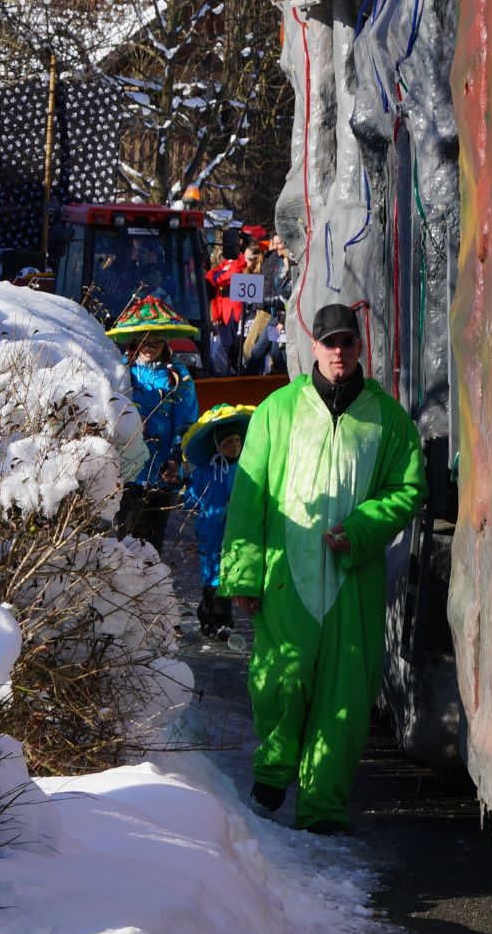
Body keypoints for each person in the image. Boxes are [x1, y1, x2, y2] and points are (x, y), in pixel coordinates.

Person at [219, 303, 425, 834]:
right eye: (329, 342)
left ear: (359, 347)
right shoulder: (277, 411)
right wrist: (242, 573)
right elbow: (248, 498)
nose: (339, 352)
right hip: (284, 576)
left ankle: (323, 807)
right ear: (313, 345)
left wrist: (360, 530)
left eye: (347, 342)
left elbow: (408, 489)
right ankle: (274, 768)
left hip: (353, 582)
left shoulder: (388, 419)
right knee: (280, 680)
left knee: (345, 696)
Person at [110, 297, 200, 551]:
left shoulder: (177, 376)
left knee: (151, 542)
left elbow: (186, 421)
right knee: (124, 539)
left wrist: (175, 457)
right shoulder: (122, 372)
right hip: (127, 469)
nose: (150, 348)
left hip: (161, 471)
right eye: (144, 341)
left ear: (165, 342)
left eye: (156, 341)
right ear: (134, 342)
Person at [182, 406, 255, 638]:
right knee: (213, 573)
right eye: (227, 443)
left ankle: (215, 617)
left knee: (228, 572)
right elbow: (192, 497)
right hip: (211, 531)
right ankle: (219, 621)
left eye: (237, 440)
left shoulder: (246, 467)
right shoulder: (206, 471)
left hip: (235, 529)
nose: (234, 446)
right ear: (217, 446)